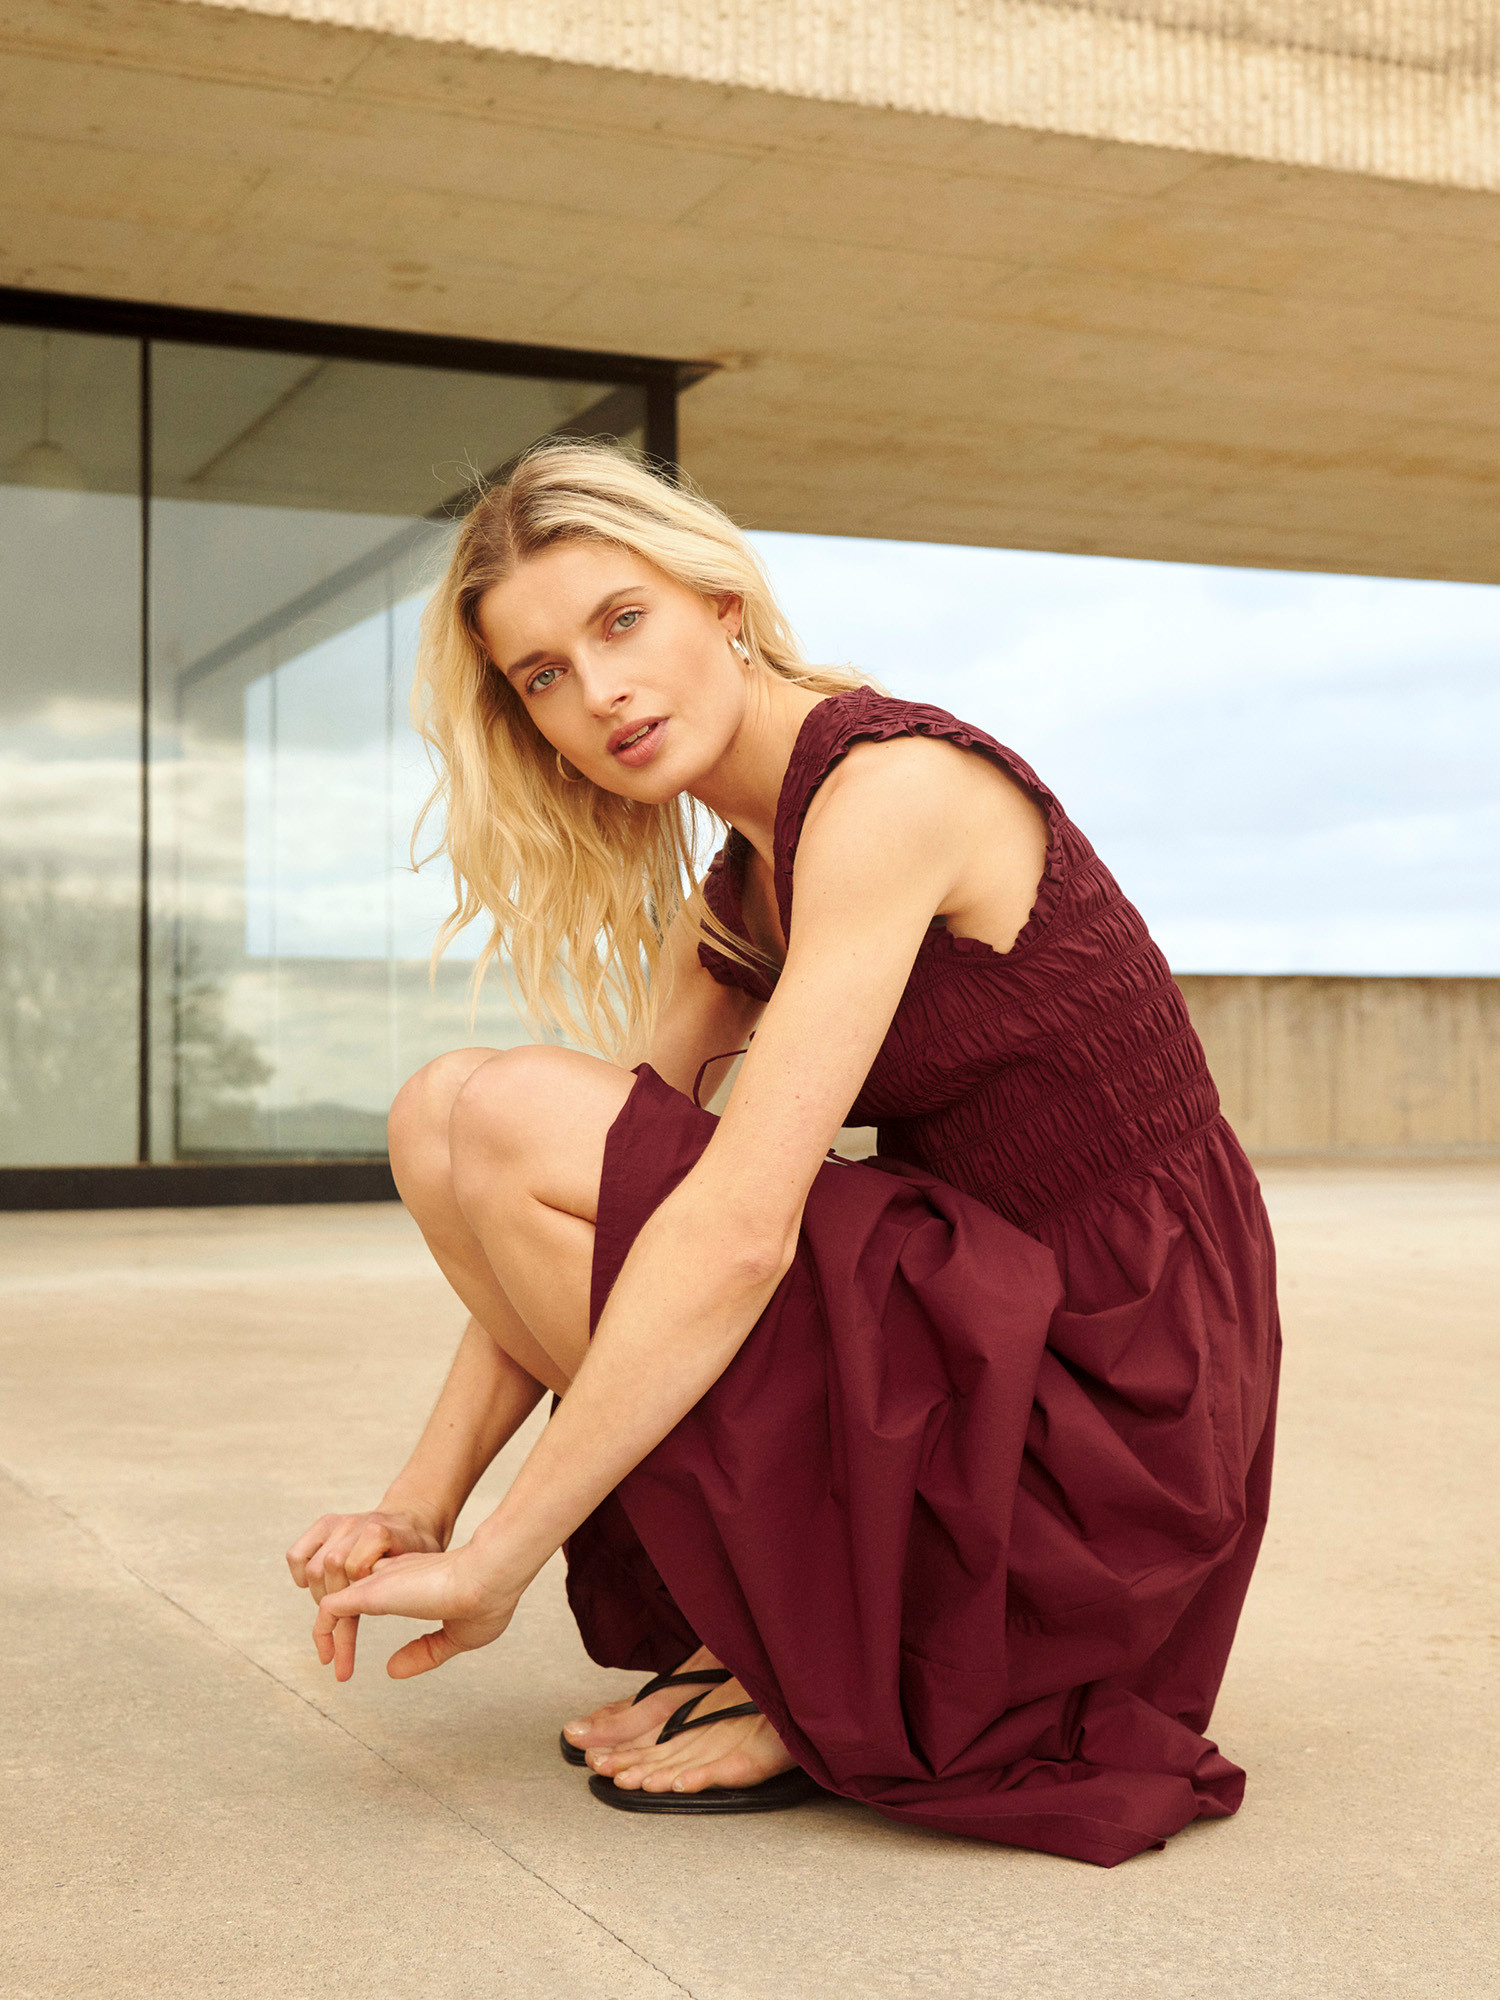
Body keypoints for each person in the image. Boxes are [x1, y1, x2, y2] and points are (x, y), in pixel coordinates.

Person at [286, 441, 1281, 1865]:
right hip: (991, 1320)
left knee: (500, 1108)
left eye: (622, 622)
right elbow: (578, 1202)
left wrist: (504, 1555)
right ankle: (796, 1631)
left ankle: (813, 1657)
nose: (599, 691)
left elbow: (737, 1229)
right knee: (447, 1115)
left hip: (1115, 1386)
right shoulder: (746, 885)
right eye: (545, 674)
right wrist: (421, 1502)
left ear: (723, 605)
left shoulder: (892, 790)